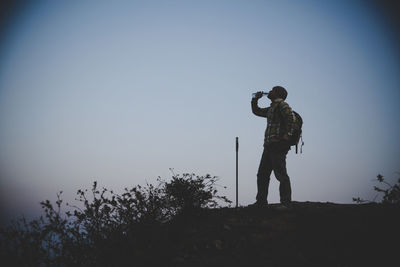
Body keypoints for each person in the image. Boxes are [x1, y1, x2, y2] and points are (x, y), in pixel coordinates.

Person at [251, 86, 295, 206]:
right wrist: (255, 99)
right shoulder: (272, 108)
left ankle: (286, 202)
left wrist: (286, 137)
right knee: (262, 174)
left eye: (272, 90)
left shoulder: (283, 105)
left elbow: (291, 119)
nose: (269, 92)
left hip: (278, 145)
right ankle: (261, 201)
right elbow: (257, 111)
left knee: (280, 174)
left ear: (277, 94)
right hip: (269, 145)